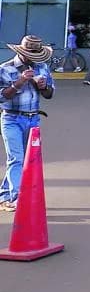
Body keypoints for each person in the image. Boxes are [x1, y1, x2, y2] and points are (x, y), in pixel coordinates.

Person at [0, 36, 55, 212]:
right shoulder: (5, 68)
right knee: (16, 158)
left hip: (33, 119)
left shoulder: (42, 67)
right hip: (11, 119)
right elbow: (2, 97)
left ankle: (4, 195)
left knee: (25, 160)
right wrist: (20, 82)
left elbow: (49, 94)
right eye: (31, 56)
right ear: (21, 53)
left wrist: (43, 87)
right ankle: (17, 198)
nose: (33, 60)